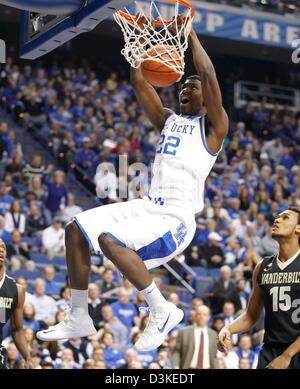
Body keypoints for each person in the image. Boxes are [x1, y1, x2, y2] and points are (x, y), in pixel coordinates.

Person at [37, 20, 228, 352]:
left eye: (192, 86)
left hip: (176, 218)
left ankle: (161, 309)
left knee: (110, 240)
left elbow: (209, 75)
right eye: (182, 86)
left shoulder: (213, 127)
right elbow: (140, 83)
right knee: (75, 229)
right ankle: (79, 314)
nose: (186, 88)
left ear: (205, 97)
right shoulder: (168, 120)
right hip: (150, 205)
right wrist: (139, 46)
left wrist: (191, 35)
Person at [218, 206, 300, 369]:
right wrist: (227, 329)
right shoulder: (263, 266)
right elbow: (250, 316)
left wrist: (287, 356)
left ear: (298, 228)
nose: (277, 220)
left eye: (285, 218)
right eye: (277, 217)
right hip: (270, 350)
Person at [0, 239, 32, 369]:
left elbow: (17, 329)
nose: (1, 249)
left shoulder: (16, 290)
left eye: (3, 247)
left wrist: (27, 357)